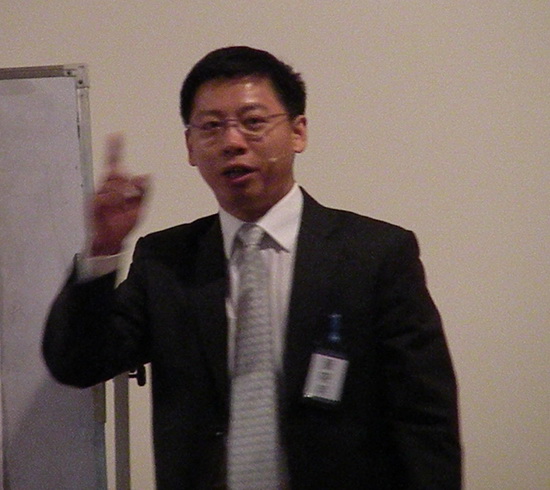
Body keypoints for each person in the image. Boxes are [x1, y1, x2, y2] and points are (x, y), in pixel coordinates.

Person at [43, 46, 461, 489]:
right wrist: (104, 247)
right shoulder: (166, 261)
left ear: (298, 132)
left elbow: (425, 419)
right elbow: (77, 363)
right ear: (190, 146)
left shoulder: (375, 255)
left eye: (254, 122)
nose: (232, 142)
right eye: (211, 126)